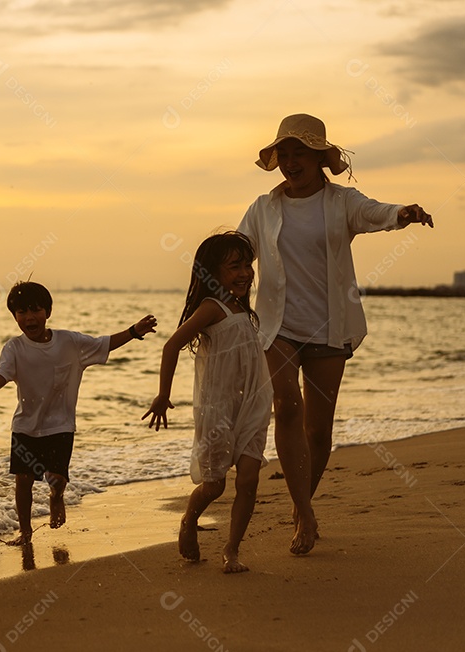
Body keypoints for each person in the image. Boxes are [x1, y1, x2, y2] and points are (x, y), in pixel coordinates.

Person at [238, 113, 433, 555]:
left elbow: (376, 212)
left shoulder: (342, 202)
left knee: (318, 430)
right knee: (286, 407)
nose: (289, 163)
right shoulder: (263, 208)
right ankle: (304, 513)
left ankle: (303, 500)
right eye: (282, 154)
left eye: (298, 154)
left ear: (319, 157)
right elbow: (239, 251)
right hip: (276, 326)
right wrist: (212, 286)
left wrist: (403, 214)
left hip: (329, 326)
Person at [0, 281, 157, 545]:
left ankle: (56, 496)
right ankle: (25, 532)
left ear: (48, 311)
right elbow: (1, 377)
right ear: (14, 316)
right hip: (25, 426)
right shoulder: (14, 348)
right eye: (21, 312)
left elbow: (104, 344)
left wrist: (133, 331)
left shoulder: (70, 342)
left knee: (58, 478)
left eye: (35, 310)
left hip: (61, 426)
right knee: (23, 480)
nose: (29, 317)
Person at [143, 232, 272, 573]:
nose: (245, 272)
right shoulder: (211, 308)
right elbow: (171, 346)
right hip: (217, 408)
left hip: (253, 405)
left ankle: (232, 550)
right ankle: (189, 519)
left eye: (248, 265)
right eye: (235, 266)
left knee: (248, 478)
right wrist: (163, 395)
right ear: (213, 273)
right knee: (215, 484)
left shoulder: (243, 308)